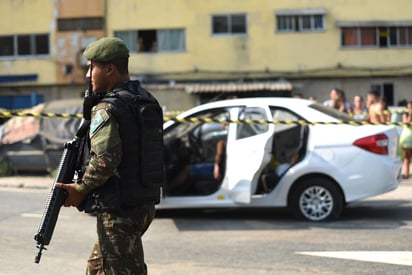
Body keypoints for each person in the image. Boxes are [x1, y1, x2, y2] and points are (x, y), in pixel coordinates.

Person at [55, 37, 162, 274]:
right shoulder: (144, 99)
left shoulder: (107, 108)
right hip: (143, 203)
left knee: (121, 270)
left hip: (119, 210)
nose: (87, 75)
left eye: (92, 67)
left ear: (110, 69)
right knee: (97, 268)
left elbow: (105, 160)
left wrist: (80, 189)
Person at [399, 101, 412, 179]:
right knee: (406, 157)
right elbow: (407, 123)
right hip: (407, 137)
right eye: (409, 107)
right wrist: (410, 114)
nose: (410, 108)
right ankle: (406, 174)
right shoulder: (405, 114)